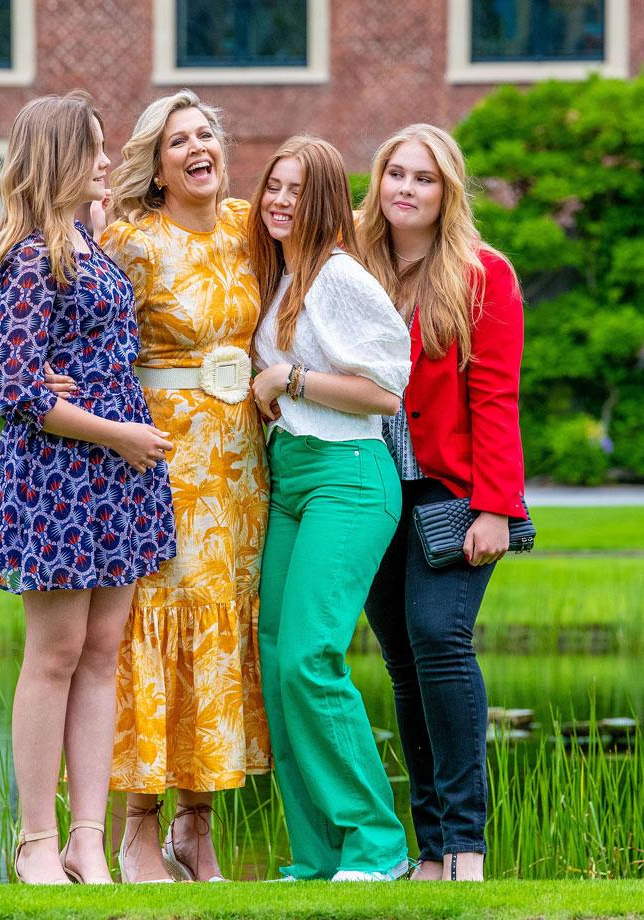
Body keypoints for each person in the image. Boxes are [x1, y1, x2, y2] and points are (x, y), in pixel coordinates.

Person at [0, 90, 177, 885]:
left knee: (101, 654)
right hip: (58, 481)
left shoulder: (96, 248)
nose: (105, 158)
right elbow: (18, 387)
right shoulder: (31, 255)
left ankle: (89, 839)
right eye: (92, 147)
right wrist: (120, 433)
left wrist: (125, 441)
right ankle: (34, 843)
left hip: (116, 484)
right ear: (58, 157)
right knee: (54, 655)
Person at [92, 90, 271, 883]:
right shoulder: (133, 241)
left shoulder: (247, 227)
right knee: (155, 629)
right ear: (156, 167)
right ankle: (139, 828)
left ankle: (198, 828)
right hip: (163, 462)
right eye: (178, 141)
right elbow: (86, 328)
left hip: (245, 463)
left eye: (206, 135)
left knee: (224, 626)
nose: (198, 147)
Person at [356, 124, 526, 882]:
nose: (405, 188)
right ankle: (429, 854)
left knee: (439, 637)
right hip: (368, 492)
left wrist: (495, 507)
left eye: (423, 178)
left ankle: (466, 849)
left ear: (447, 191)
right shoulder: (354, 267)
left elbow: (494, 396)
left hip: (454, 492)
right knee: (402, 662)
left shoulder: (484, 274)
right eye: (395, 173)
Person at [247, 135, 413, 882]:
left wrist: (291, 379)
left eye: (295, 190)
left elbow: (385, 391)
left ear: (324, 201)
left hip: (348, 476)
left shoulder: (341, 277)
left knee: (312, 656)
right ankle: (317, 854)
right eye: (271, 187)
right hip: (292, 476)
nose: (279, 201)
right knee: (278, 658)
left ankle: (378, 846)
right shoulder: (283, 276)